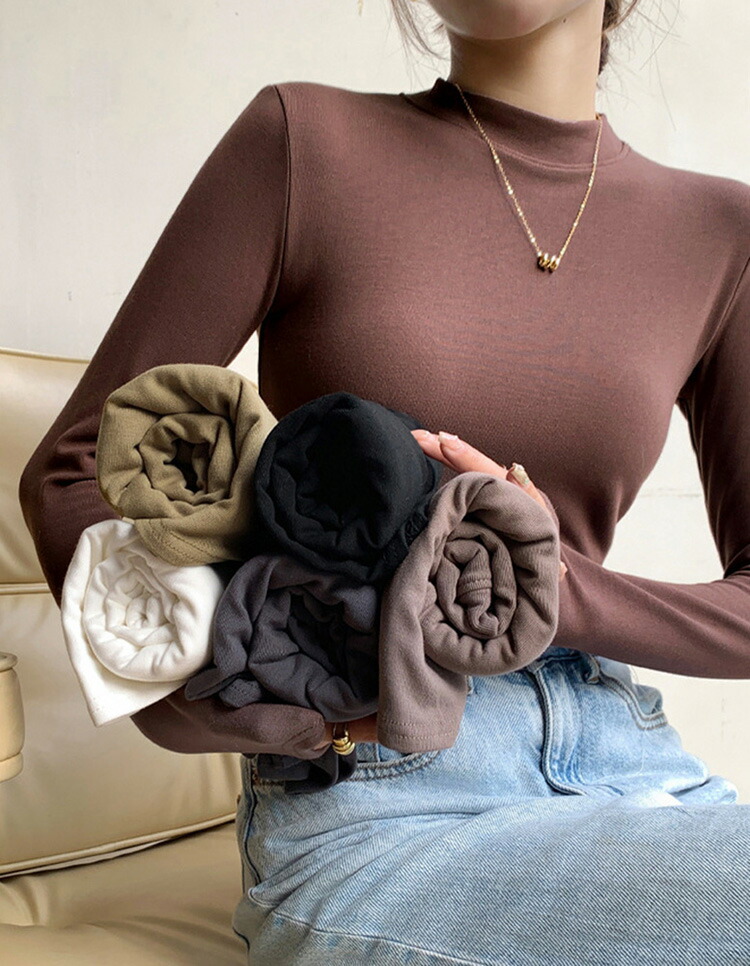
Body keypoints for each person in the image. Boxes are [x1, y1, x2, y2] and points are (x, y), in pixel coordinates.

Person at [18, 0, 750, 962]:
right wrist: (202, 704)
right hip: (385, 802)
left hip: (639, 764)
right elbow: (77, 465)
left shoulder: (722, 231)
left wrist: (554, 588)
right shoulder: (302, 143)